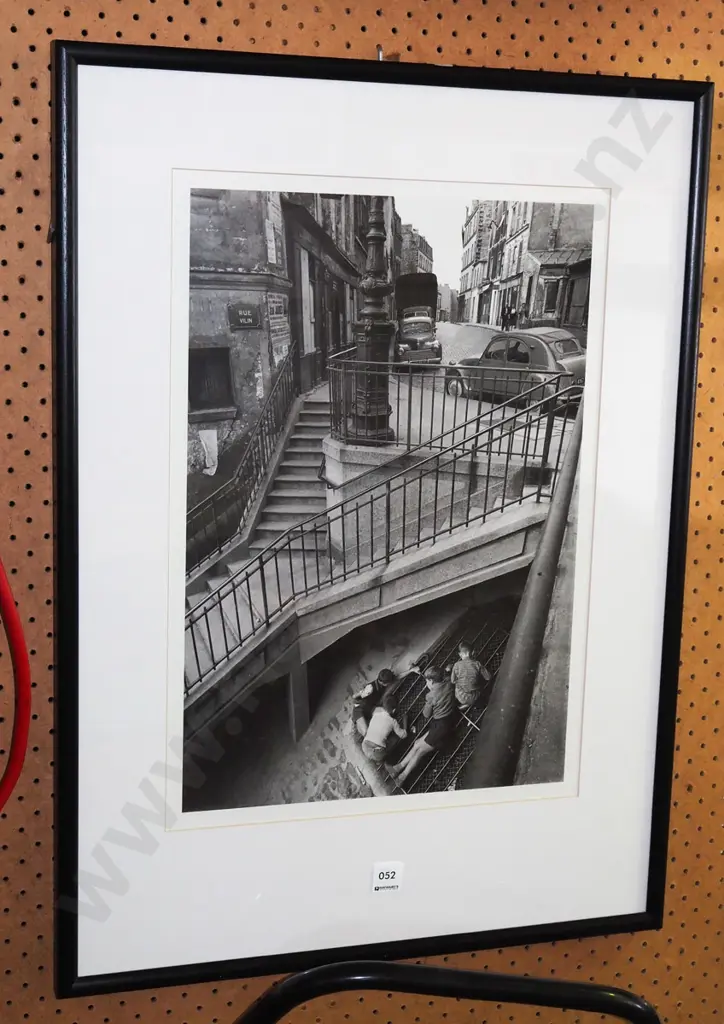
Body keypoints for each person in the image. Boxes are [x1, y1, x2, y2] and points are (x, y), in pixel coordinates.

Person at [387, 666, 456, 785]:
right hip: (444, 720)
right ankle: (397, 768)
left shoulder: (431, 695)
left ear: (431, 681)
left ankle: (402, 778)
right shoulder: (449, 683)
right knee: (417, 743)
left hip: (440, 728)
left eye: (427, 680)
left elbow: (426, 714)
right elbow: (448, 676)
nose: (426, 682)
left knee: (420, 752)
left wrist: (429, 697)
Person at [361, 689, 408, 765]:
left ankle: (374, 758)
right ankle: (381, 761)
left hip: (364, 746)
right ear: (394, 710)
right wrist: (405, 721)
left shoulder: (376, 712)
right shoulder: (393, 721)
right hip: (376, 753)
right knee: (394, 739)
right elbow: (403, 735)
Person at [351, 668, 397, 739]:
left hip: (371, 708)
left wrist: (411, 671)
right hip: (360, 710)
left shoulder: (383, 682)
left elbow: (397, 677)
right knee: (366, 732)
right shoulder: (370, 687)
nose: (390, 684)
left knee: (387, 715)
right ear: (383, 683)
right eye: (389, 683)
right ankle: (357, 724)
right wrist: (362, 693)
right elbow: (354, 697)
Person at [451, 642, 492, 710]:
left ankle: (465, 704)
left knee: (458, 685)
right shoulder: (477, 664)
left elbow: (453, 681)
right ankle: (472, 703)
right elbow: (488, 677)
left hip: (460, 696)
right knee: (479, 686)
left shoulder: (456, 665)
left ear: (460, 654)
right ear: (473, 652)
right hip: (474, 697)